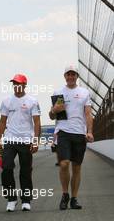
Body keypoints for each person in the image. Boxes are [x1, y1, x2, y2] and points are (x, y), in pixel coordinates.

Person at [49, 65, 94, 210]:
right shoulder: (59, 93)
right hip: (63, 131)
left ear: (77, 76)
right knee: (64, 164)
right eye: (68, 74)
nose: (70, 77)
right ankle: (64, 194)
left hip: (79, 133)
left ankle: (74, 198)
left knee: (77, 167)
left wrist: (90, 131)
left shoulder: (84, 93)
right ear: (64, 76)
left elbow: (88, 114)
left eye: (73, 74)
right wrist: (53, 110)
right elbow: (51, 116)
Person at [0, 74, 41, 212]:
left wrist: (36, 141)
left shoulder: (32, 101)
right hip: (10, 139)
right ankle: (11, 199)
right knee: (7, 168)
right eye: (14, 84)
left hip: (26, 140)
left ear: (24, 85)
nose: (16, 86)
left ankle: (26, 200)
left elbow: (37, 122)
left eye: (19, 83)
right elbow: (2, 121)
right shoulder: (7, 101)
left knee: (25, 171)